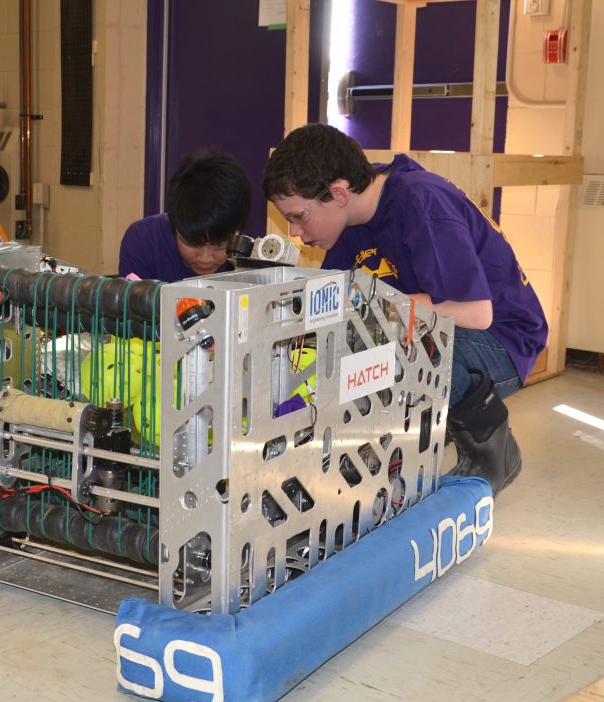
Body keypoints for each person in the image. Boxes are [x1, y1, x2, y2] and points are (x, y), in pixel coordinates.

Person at [262, 123, 548, 495]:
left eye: (298, 216)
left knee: (381, 338)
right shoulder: (349, 225)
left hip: (501, 341)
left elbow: (478, 313)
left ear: (338, 193)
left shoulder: (421, 202)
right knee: (347, 342)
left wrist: (378, 307)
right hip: (438, 333)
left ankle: (487, 433)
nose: (295, 233)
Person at [118, 150, 251, 282]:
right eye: (192, 243)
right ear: (175, 226)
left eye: (220, 245)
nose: (205, 259)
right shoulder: (144, 241)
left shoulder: (250, 256)